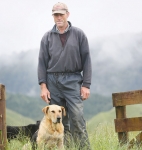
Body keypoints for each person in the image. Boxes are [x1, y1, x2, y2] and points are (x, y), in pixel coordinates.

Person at [38, 2, 92, 150]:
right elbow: (42, 63)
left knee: (77, 118)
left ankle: (84, 148)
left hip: (73, 79)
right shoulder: (47, 37)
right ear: (53, 17)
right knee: (58, 121)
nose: (59, 17)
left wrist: (86, 85)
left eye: (61, 14)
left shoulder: (79, 34)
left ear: (67, 14)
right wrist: (43, 87)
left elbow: (87, 59)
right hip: (52, 81)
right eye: (56, 15)